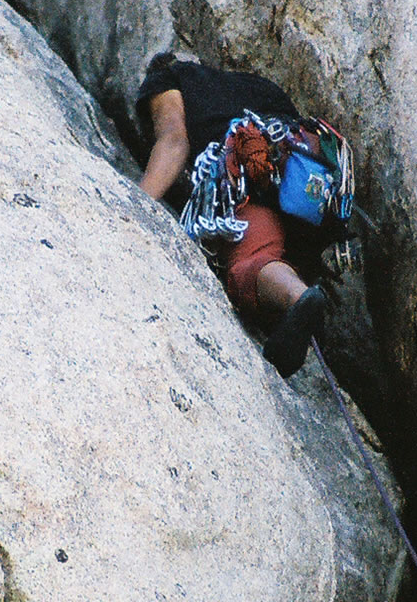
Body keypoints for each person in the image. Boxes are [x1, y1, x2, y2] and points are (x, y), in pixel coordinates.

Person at [136, 52, 330, 377]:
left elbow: (174, 139)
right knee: (276, 264)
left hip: (249, 174)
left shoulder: (170, 78)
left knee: (250, 262)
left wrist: (133, 205)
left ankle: (297, 297)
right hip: (310, 190)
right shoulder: (256, 85)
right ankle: (292, 300)